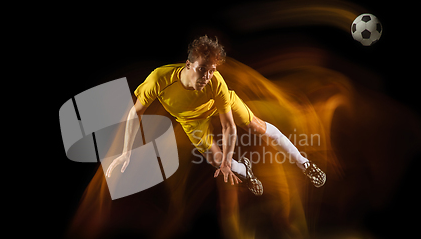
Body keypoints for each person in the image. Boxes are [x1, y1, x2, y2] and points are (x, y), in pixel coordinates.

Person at [105, 35, 326, 195]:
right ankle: (245, 171)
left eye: (212, 70)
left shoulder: (216, 82)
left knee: (257, 127)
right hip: (191, 120)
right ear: (189, 64)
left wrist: (228, 160)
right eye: (203, 69)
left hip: (218, 105)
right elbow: (136, 113)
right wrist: (126, 152)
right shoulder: (159, 79)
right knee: (217, 160)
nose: (207, 76)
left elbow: (229, 126)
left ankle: (304, 163)